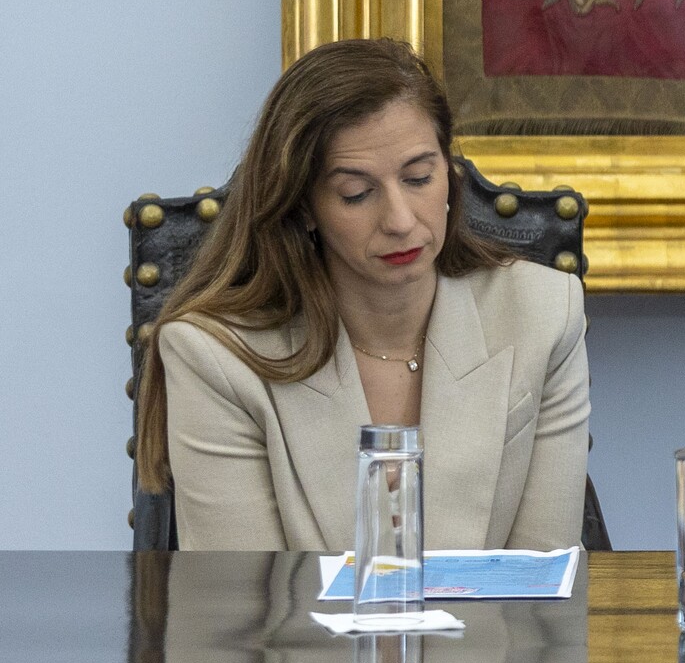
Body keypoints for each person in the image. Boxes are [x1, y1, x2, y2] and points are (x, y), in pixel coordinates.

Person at [133, 39, 591, 551]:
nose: (400, 220)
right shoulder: (215, 357)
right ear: (304, 206)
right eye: (356, 193)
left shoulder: (543, 313)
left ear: (448, 174)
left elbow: (541, 580)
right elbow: (245, 595)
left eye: (419, 178)